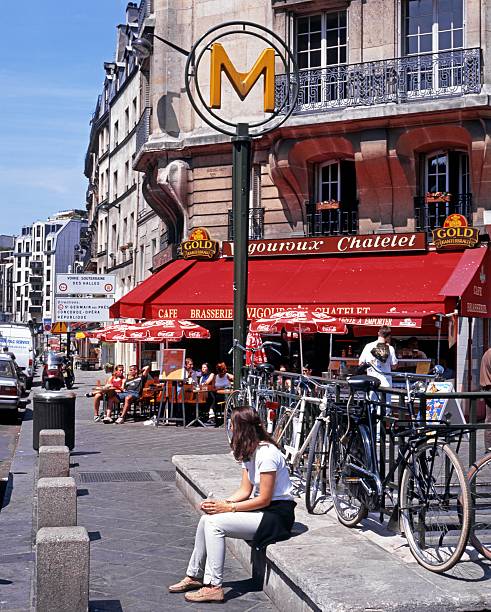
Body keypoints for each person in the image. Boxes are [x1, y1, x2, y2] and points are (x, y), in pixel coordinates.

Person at [168, 406, 296, 603]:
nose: (229, 429)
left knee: (214, 524)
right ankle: (195, 575)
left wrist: (228, 509)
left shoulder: (267, 454)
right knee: (207, 519)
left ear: (241, 428)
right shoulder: (251, 451)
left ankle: (214, 586)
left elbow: (265, 499)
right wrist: (219, 504)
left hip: (276, 515)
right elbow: (245, 491)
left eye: (232, 425)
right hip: (263, 510)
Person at [480, 347, 491, 450]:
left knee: (489, 421)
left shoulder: (488, 353)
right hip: (489, 389)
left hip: (487, 390)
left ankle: (489, 449)